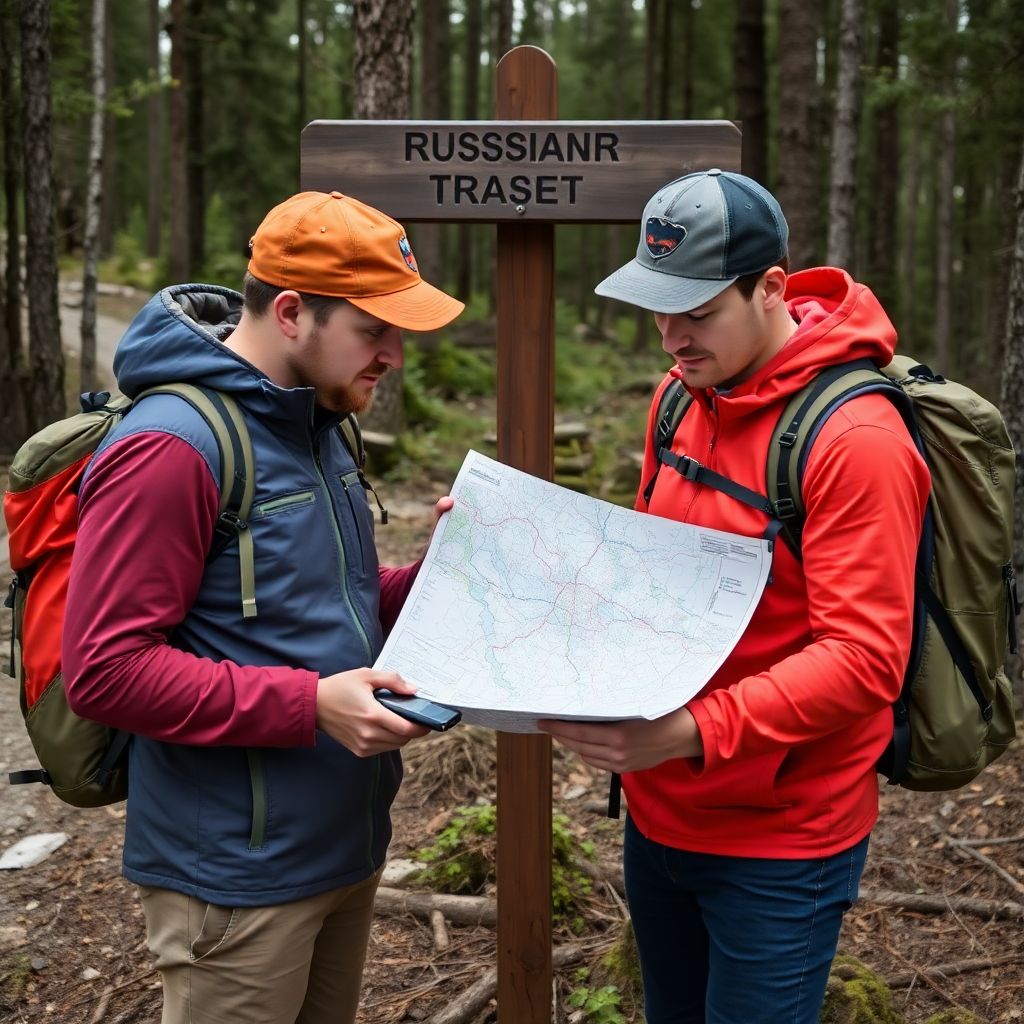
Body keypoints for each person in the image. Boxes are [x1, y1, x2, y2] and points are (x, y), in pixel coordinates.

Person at [62, 190, 464, 1024]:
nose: (394, 355)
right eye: (374, 330)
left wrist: (441, 574)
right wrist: (311, 704)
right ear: (290, 313)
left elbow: (333, 608)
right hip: (235, 881)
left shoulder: (320, 423)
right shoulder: (171, 446)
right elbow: (104, 671)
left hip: (344, 845)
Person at [540, 169, 931, 1024]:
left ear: (773, 288)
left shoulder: (856, 439)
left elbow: (865, 661)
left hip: (781, 840)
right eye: (657, 306)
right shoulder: (679, 397)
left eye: (698, 310)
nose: (671, 336)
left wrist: (686, 732)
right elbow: (652, 572)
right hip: (659, 811)